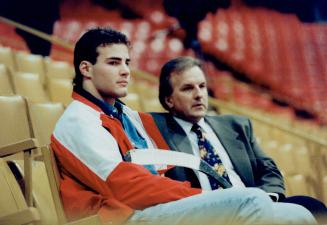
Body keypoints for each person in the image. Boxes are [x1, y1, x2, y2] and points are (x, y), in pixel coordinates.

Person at [51, 28, 316, 225]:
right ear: (86, 69)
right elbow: (123, 186)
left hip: (148, 207)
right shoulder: (79, 120)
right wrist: (195, 195)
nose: (126, 71)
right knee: (251, 200)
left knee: (299, 215)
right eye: (113, 63)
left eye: (127, 62)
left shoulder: (121, 114)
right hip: (122, 215)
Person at [151, 56, 327, 223]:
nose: (199, 94)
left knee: (314, 207)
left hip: (256, 204)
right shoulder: (157, 130)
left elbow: (268, 170)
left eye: (202, 86)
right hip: (212, 213)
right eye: (188, 88)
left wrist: (265, 199)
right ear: (169, 100)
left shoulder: (236, 125)